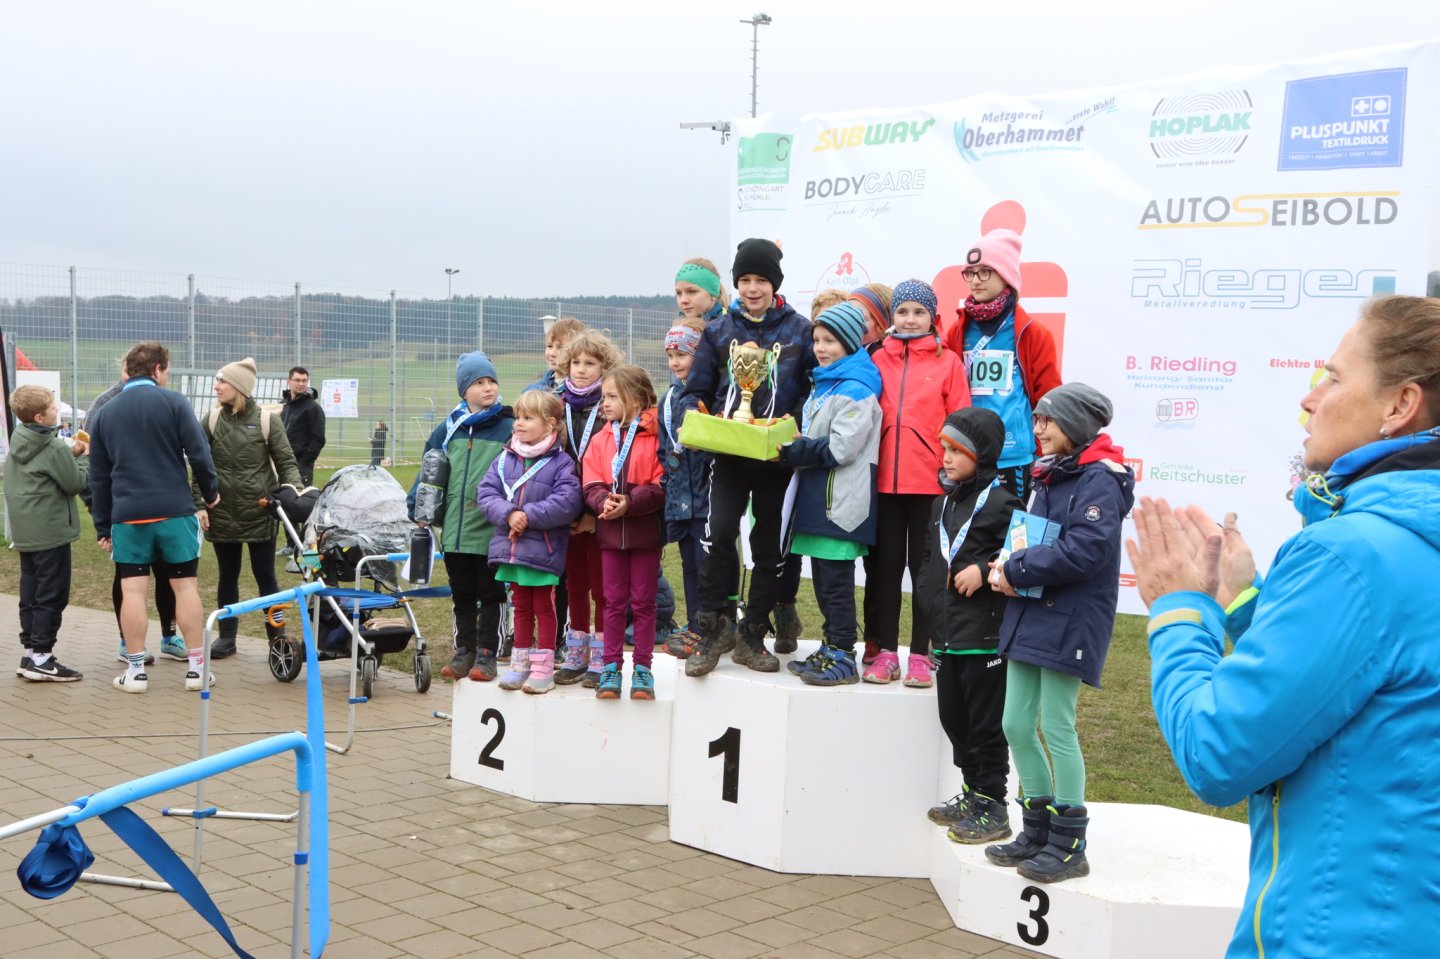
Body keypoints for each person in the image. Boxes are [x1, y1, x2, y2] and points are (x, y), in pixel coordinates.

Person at [1128, 295, 1440, 959]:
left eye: (1332, 377)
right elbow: (1366, 687)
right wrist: (1246, 604)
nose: (1309, 399)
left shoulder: (1353, 552)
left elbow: (1218, 751)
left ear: (1400, 405)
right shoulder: (1408, 540)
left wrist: (1179, 610)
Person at [984, 382, 1132, 883]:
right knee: (1015, 724)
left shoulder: (1100, 479)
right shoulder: (1050, 473)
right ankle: (1036, 830)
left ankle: (1070, 845)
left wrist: (1018, 568)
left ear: (1076, 426)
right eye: (1037, 419)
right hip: (1031, 612)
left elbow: (1086, 550)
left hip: (1072, 619)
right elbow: (1033, 539)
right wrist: (1005, 564)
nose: (1039, 428)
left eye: (1048, 419)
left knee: (1057, 726)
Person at [678, 238, 815, 677]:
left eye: (761, 280)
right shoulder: (718, 331)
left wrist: (790, 426)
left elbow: (811, 392)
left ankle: (753, 634)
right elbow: (696, 391)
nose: (752, 288)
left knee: (769, 547)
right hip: (729, 457)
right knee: (718, 535)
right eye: (745, 280)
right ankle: (714, 629)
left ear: (775, 283)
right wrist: (697, 420)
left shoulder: (800, 331)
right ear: (735, 284)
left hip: (776, 458)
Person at [88, 342, 220, 694]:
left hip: (128, 515)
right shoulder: (175, 402)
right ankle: (196, 669)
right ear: (158, 369)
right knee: (185, 586)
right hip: (175, 511)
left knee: (132, 590)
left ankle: (135, 672)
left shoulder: (105, 412)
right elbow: (199, 454)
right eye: (167, 371)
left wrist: (102, 525)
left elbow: (98, 476)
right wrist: (210, 493)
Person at [920, 407, 1023, 842]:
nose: (946, 458)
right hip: (947, 635)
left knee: (985, 725)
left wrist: (984, 571)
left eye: (957, 451)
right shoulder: (941, 503)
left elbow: (1021, 555)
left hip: (984, 636)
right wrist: (930, 613)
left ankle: (993, 804)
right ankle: (972, 793)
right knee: (954, 719)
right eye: (944, 448)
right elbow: (930, 561)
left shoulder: (1003, 503)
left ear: (981, 455)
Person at [866, 279, 970, 687]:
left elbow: (960, 424)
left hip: (931, 486)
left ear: (933, 317)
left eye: (919, 312)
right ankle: (886, 653)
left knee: (925, 573)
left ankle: (921, 655)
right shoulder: (877, 358)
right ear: (892, 316)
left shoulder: (949, 363)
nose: (910, 319)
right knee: (886, 571)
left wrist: (952, 474)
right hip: (884, 486)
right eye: (902, 311)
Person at [777, 302, 882, 686]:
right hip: (821, 498)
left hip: (842, 502)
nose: (821, 348)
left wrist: (795, 450)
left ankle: (843, 654)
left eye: (831, 341)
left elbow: (842, 448)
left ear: (851, 343)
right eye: (817, 340)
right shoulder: (827, 382)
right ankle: (830, 646)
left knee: (836, 584)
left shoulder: (858, 389)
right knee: (822, 580)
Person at [409, 351, 513, 682]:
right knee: (462, 594)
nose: (488, 387)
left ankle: (488, 652)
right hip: (454, 529)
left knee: (491, 593)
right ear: (464, 391)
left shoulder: (508, 427)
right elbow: (429, 468)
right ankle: (464, 650)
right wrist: (416, 505)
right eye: (479, 382)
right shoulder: (449, 429)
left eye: (491, 381)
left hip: (490, 528)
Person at [942, 229, 1062, 500]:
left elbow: (1049, 398)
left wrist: (1048, 452)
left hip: (1012, 454)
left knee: (1009, 527)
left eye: (985, 272)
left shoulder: (1031, 332)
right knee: (967, 526)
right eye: (970, 273)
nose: (975, 280)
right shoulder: (957, 331)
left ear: (1005, 275)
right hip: (966, 452)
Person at [196, 358, 304, 660]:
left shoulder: (268, 421)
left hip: (260, 512)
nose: (217, 387)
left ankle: (277, 638)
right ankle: (227, 638)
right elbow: (198, 464)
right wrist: (199, 503)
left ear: (239, 387)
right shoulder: (211, 420)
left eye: (223, 381)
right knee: (227, 575)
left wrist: (294, 495)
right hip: (221, 514)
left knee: (266, 577)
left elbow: (286, 462)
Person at [478, 389, 582, 694]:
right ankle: (520, 663)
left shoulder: (561, 462)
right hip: (512, 550)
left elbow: (567, 501)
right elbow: (486, 493)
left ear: (550, 424)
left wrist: (528, 516)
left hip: (543, 550)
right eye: (518, 417)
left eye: (528, 418)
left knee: (544, 607)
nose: (519, 424)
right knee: (520, 605)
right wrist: (509, 514)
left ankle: (543, 668)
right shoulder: (505, 458)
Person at [582, 365, 666, 700]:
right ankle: (610, 668)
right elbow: (590, 482)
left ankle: (643, 669)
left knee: (644, 603)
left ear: (636, 399)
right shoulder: (601, 439)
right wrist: (602, 501)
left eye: (612, 397)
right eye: (603, 397)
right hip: (609, 537)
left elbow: (661, 484)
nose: (604, 403)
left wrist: (630, 503)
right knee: (613, 603)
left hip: (645, 536)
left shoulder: (656, 437)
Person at [87, 371, 179, 665]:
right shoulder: (105, 405)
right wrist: (99, 513)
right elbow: (93, 465)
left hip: (165, 508)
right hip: (124, 511)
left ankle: (170, 636)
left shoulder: (166, 401)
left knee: (169, 572)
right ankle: (128, 642)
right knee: (128, 578)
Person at [552, 329, 623, 686]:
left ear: (604, 368)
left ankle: (602, 654)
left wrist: (592, 514)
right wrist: (563, 513)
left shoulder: (610, 408)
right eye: (576, 362)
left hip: (599, 515)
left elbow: (616, 464)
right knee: (573, 586)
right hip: (565, 515)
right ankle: (576, 650)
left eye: (590, 363)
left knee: (602, 588)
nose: (581, 369)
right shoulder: (556, 405)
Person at [4, 385, 89, 681]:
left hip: (27, 532)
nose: (57, 411)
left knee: (30, 592)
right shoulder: (53, 447)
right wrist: (84, 457)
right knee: (52, 594)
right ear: (40, 417)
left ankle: (30, 652)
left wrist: (69, 454)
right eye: (53, 408)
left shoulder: (19, 440)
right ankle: (43, 657)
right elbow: (75, 483)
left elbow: (46, 469)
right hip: (51, 532)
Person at [658, 315, 712, 655]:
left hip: (708, 497)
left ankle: (712, 628)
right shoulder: (668, 398)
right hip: (680, 500)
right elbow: (664, 448)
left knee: (709, 568)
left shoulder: (713, 392)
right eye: (670, 355)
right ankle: (694, 626)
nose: (675, 362)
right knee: (689, 566)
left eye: (682, 354)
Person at [281, 366, 326, 486]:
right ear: (289, 381)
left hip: (300, 468)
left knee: (298, 497)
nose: (301, 384)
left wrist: (303, 464)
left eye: (304, 380)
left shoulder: (313, 408)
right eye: (297, 380)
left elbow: (318, 439)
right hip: (280, 465)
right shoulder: (283, 406)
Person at [524, 316, 585, 394]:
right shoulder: (531, 392)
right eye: (549, 346)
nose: (552, 353)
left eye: (561, 347)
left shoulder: (583, 395)